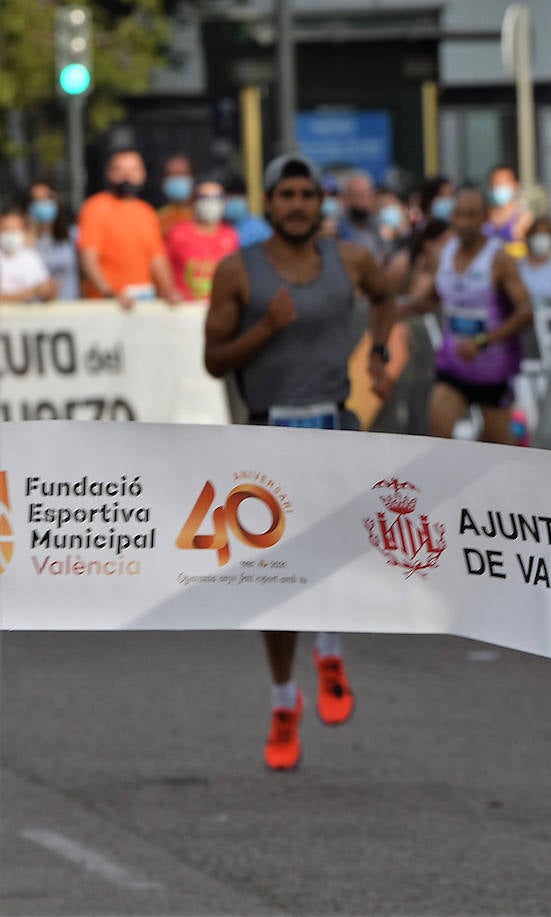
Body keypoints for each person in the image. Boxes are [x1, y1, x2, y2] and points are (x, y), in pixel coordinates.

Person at [203, 153, 396, 771]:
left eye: (306, 194)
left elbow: (386, 296)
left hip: (332, 421)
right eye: (285, 194)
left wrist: (380, 353)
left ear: (322, 203)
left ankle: (331, 651)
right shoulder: (239, 271)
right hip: (268, 431)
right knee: (276, 578)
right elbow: (214, 360)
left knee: (336, 553)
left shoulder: (352, 260)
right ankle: (284, 700)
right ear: (269, 204)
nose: (296, 204)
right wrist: (265, 329)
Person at [425, 185, 534, 444]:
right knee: (438, 434)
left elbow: (526, 311)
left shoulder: (499, 259)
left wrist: (483, 341)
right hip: (453, 366)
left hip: (492, 372)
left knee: (497, 450)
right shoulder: (442, 255)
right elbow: (430, 296)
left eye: (471, 215)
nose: (463, 222)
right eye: (459, 214)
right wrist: (400, 307)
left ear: (485, 217)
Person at [76, 148, 181, 307]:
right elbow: (89, 260)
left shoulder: (146, 212)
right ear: (109, 174)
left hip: (145, 300)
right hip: (109, 304)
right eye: (120, 170)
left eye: (134, 170)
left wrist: (168, 289)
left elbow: (157, 259)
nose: (128, 176)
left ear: (143, 174)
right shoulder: (95, 207)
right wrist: (110, 294)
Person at [165, 180, 239, 300]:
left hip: (218, 308)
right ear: (193, 201)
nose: (210, 202)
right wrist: (168, 291)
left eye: (217, 197)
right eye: (203, 197)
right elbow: (164, 267)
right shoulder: (177, 233)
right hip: (185, 309)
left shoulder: (231, 235)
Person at [24, 180, 80, 300]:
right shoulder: (22, 239)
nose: (42, 203)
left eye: (47, 197)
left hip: (69, 307)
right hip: (32, 310)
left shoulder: (72, 235)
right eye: (36, 199)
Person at [0, 207, 57, 303]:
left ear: (24, 231)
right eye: (6, 229)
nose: (11, 234)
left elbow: (45, 293)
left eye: (15, 229)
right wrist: (32, 293)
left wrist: (50, 290)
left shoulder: (31, 256)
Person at [483, 165, 533, 254]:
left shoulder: (525, 218)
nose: (499, 187)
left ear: (516, 185)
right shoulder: (484, 216)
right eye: (496, 183)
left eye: (504, 183)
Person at [337, 170, 385, 260]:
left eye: (365, 194)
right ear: (345, 197)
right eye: (356, 195)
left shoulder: (378, 223)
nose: (361, 201)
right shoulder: (336, 228)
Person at [223, 176, 273, 248]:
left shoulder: (259, 228)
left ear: (247, 198)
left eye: (239, 195)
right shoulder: (214, 227)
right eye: (231, 195)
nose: (235, 200)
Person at [157, 153, 196, 235]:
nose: (177, 179)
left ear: (192, 177)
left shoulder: (202, 214)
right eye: (172, 174)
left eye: (182, 174)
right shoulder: (159, 217)